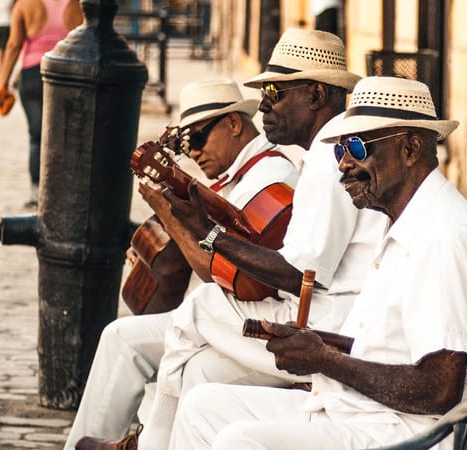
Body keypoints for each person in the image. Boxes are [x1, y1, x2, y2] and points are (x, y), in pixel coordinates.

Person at [167, 76, 467, 449]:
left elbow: (439, 388)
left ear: (410, 148)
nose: (344, 164)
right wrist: (316, 346)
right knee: (202, 406)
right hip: (368, 412)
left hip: (414, 432)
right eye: (339, 151)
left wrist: (325, 360)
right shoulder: (403, 220)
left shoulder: (441, 236)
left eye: (358, 147)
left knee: (240, 441)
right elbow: (388, 345)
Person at [131, 28, 389, 450]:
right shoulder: (325, 151)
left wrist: (208, 233)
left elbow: (300, 275)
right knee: (199, 371)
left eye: (275, 90)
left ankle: (147, 444)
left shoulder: (330, 155)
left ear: (316, 95)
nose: (264, 104)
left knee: (197, 308)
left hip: (328, 328)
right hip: (328, 312)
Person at [66, 79, 300, 450]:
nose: (194, 153)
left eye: (199, 139)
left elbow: (225, 272)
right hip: (228, 314)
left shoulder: (269, 178)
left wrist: (166, 213)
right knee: (131, 339)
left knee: (124, 341)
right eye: (185, 145)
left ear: (234, 124)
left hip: (253, 316)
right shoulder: (235, 177)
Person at [0, 0, 82, 209]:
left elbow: (14, 44)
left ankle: (36, 194)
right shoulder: (77, 4)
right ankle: (64, 190)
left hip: (33, 73)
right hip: (67, 73)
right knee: (67, 137)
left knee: (37, 137)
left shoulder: (25, 4)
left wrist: (2, 84)